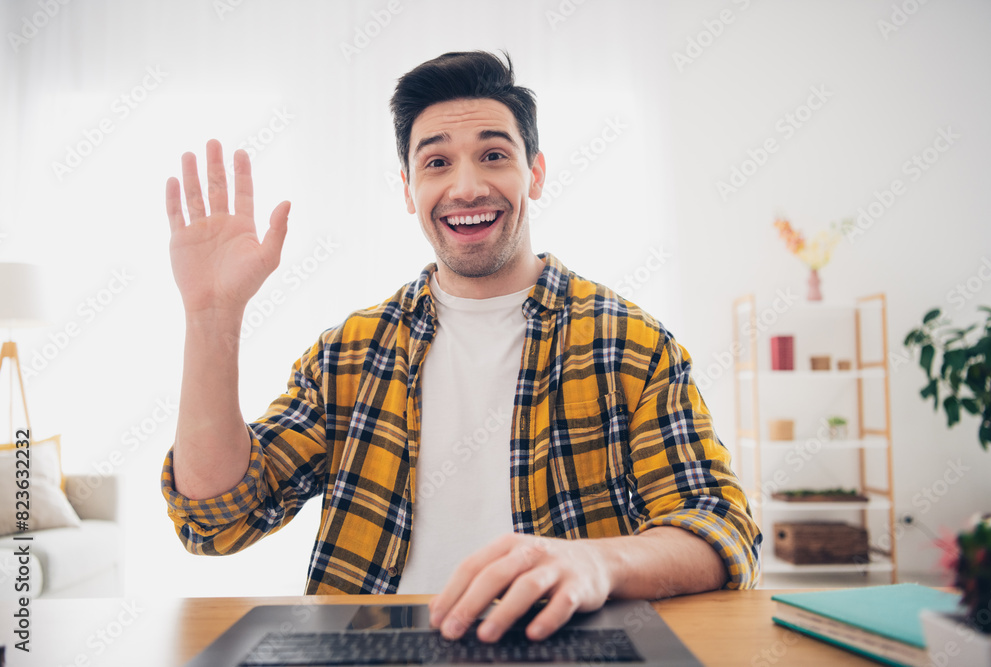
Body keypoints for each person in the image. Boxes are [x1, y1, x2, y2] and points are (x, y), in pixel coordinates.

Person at [161, 50, 761, 644]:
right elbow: (218, 518)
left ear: (537, 173)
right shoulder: (351, 354)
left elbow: (722, 528)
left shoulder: (630, 343)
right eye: (437, 162)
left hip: (563, 651)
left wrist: (599, 563)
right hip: (376, 651)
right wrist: (211, 317)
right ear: (408, 189)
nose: (467, 187)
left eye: (494, 155)